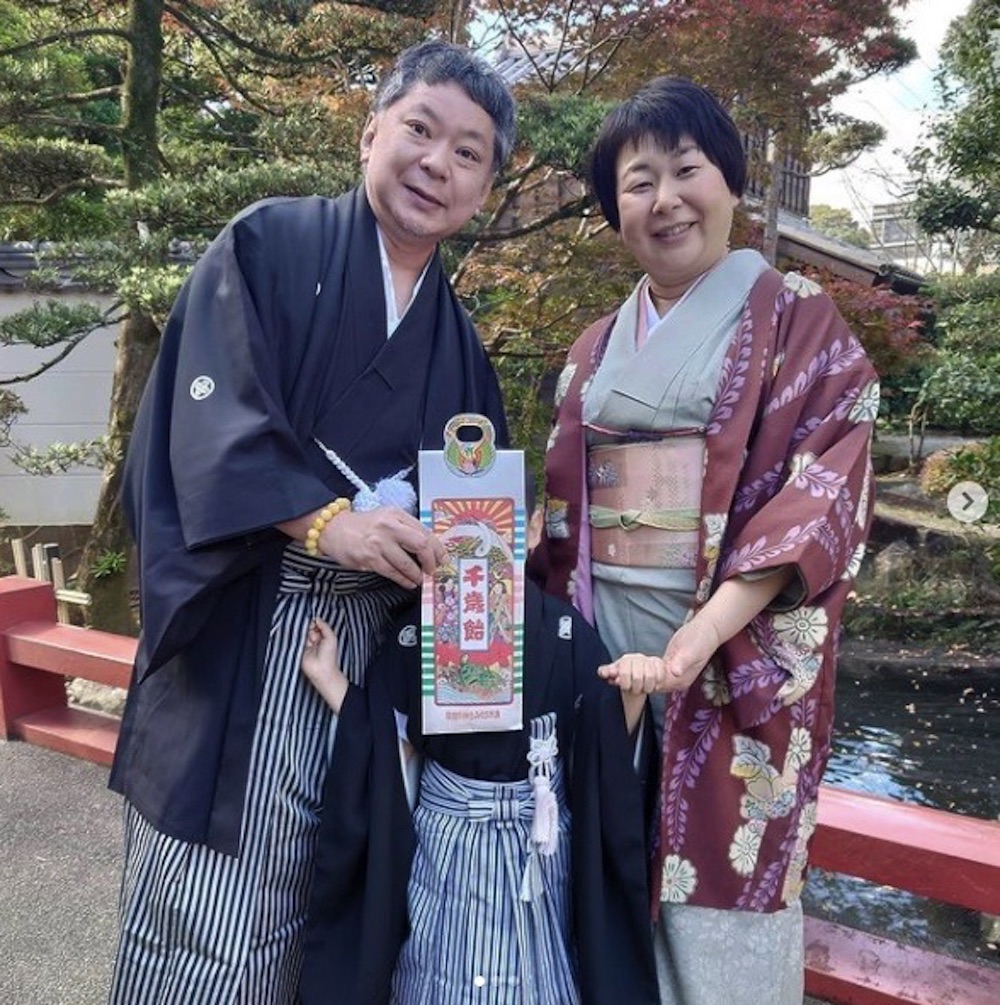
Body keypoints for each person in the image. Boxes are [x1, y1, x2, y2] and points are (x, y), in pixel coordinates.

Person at [106, 40, 517, 1004]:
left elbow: (478, 532)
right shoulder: (267, 246)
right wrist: (329, 522)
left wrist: (479, 587)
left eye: (469, 153)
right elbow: (201, 422)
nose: (437, 164)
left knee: (329, 915)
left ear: (484, 187)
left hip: (363, 669)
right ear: (372, 129)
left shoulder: (459, 349)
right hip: (245, 632)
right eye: (420, 129)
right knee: (208, 920)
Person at [529, 76, 879, 1005]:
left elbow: (819, 495)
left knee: (718, 899)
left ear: (730, 182)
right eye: (638, 182)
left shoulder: (804, 321)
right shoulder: (594, 345)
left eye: (688, 170)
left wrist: (699, 638)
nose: (666, 199)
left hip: (729, 659)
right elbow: (562, 516)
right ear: (615, 211)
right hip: (602, 659)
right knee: (590, 882)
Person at [297, 525, 660, 1004]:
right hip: (444, 845)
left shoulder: (564, 630)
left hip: (536, 847)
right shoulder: (417, 629)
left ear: (531, 528)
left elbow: (601, 749)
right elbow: (391, 742)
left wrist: (631, 694)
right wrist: (332, 682)